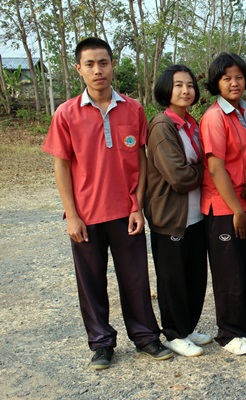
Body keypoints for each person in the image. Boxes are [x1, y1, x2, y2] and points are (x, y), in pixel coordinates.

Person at [42, 37, 172, 370]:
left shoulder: (133, 109)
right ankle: (101, 343)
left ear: (112, 64)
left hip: (125, 212)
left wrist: (137, 206)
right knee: (91, 283)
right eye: (90, 64)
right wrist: (72, 215)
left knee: (136, 279)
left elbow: (141, 160)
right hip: (86, 214)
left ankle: (145, 337)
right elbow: (61, 166)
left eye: (103, 62)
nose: (97, 70)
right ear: (79, 69)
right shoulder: (66, 113)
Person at [200, 52, 246, 356]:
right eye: (227, 78)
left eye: (239, 77)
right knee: (230, 273)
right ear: (217, 82)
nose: (234, 83)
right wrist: (237, 209)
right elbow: (216, 168)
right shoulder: (214, 117)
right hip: (226, 206)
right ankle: (229, 332)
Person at [145, 64, 212, 357]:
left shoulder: (190, 123)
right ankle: (173, 333)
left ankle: (187, 328)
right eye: (178, 85)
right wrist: (207, 169)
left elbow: (190, 168)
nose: (186, 90)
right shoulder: (163, 125)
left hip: (196, 215)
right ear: (166, 90)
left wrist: (197, 168)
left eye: (190, 85)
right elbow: (179, 176)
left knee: (195, 277)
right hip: (171, 216)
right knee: (173, 280)